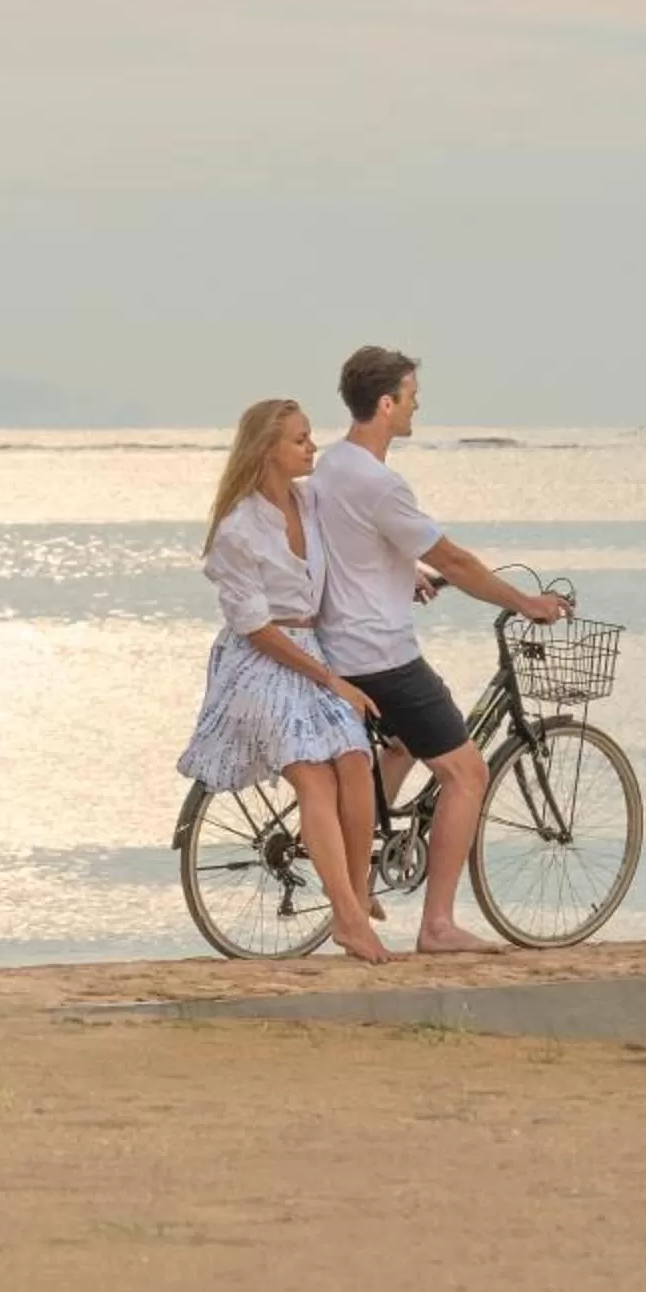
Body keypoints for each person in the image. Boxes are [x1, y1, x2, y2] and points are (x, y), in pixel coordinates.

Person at [311, 346, 568, 956]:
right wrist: (525, 601)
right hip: (381, 653)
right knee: (467, 772)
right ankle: (439, 926)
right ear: (385, 403)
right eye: (410, 394)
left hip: (339, 645)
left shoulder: (331, 466)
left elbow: (349, 550)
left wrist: (405, 574)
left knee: (402, 744)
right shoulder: (380, 483)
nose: (417, 404)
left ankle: (361, 866)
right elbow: (454, 559)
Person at [177, 397, 392, 963]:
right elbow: (254, 628)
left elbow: (352, 547)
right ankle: (347, 918)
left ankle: (355, 891)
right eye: (299, 439)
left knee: (354, 761)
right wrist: (332, 680)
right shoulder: (237, 529)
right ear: (266, 448)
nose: (311, 446)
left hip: (310, 650)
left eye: (309, 436)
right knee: (315, 778)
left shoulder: (310, 500)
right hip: (260, 662)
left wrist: (411, 572)